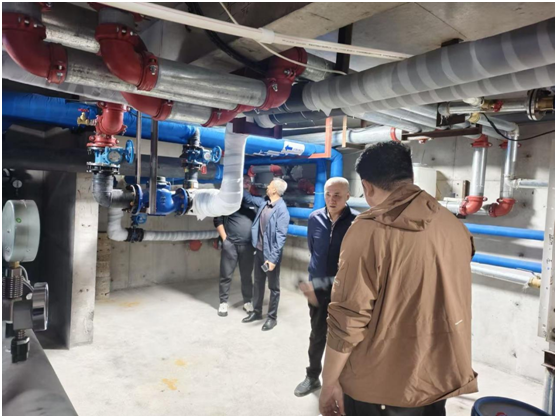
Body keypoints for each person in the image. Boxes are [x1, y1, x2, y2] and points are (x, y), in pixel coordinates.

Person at [319, 142, 478, 416]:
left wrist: (329, 381)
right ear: (410, 177)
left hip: (379, 388)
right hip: (437, 379)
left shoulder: (369, 230)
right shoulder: (453, 225)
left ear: (367, 186)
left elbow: (348, 318)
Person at [295, 177, 358, 397]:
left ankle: (341, 380)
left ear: (348, 196)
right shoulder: (315, 218)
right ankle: (312, 376)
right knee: (317, 333)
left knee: (344, 335)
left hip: (344, 289)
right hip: (318, 286)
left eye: (337, 195)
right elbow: (313, 249)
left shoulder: (356, 222)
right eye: (328, 195)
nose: (332, 199)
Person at [241, 178, 290, 331]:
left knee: (273, 287)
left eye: (269, 185)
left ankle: (272, 318)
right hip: (260, 251)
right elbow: (249, 198)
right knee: (258, 282)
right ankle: (256, 312)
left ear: (274, 190)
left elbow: (280, 237)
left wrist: (273, 259)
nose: (267, 186)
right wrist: (240, 185)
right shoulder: (264, 203)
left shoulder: (282, 210)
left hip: (271, 255)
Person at [214, 175, 256, 317]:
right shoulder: (229, 202)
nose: (246, 184)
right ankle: (223, 302)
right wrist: (225, 240)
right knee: (226, 275)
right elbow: (217, 219)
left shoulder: (253, 202)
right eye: (244, 182)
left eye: (248, 182)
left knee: (246, 276)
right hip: (231, 245)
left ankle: (247, 301)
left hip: (248, 246)